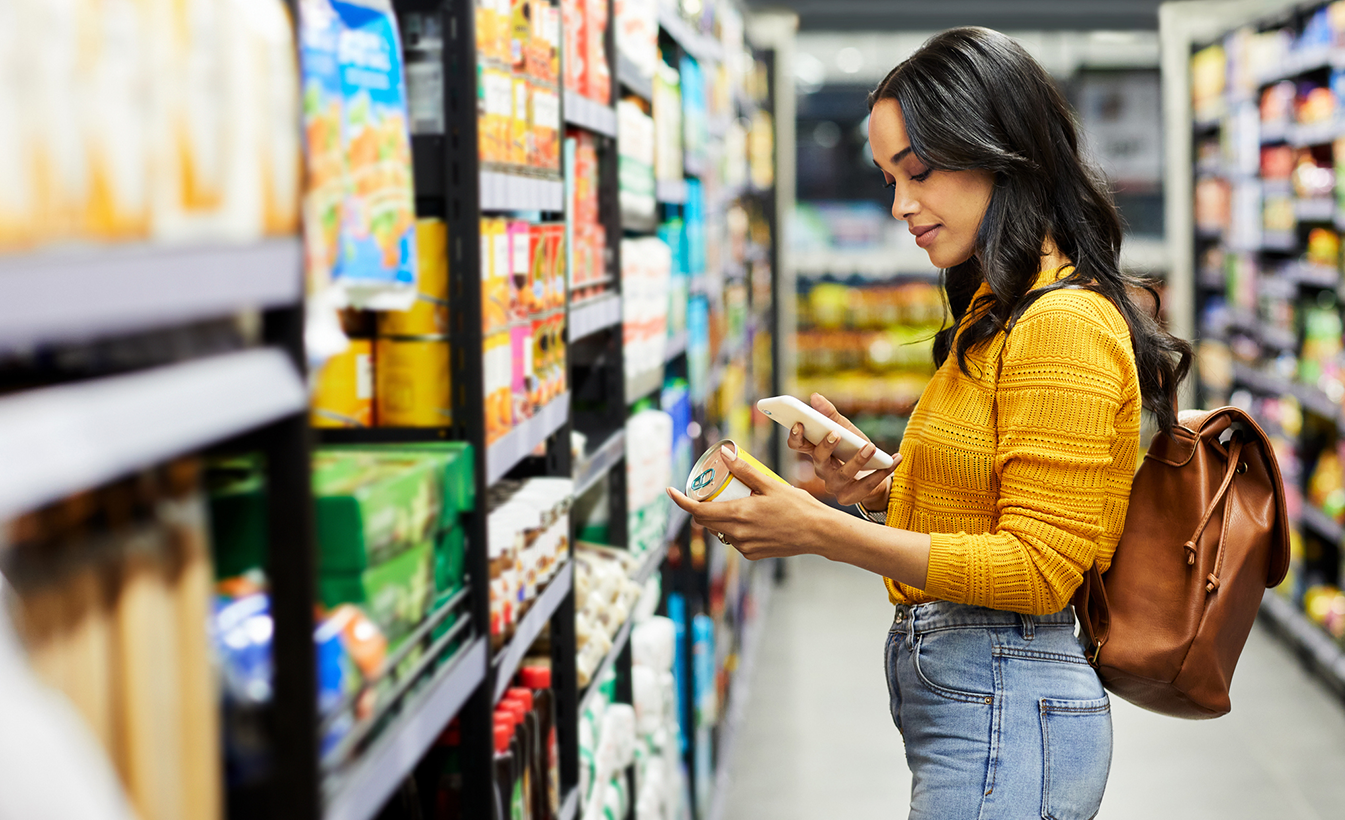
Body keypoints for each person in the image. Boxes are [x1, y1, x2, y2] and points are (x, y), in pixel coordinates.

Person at [667, 26, 1192, 820]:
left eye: (918, 171)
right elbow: (996, 500)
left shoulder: (1062, 324)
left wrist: (819, 531)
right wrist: (881, 484)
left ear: (1001, 150)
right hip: (984, 702)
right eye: (887, 178)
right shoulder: (999, 305)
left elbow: (1038, 570)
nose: (900, 205)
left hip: (1012, 705)